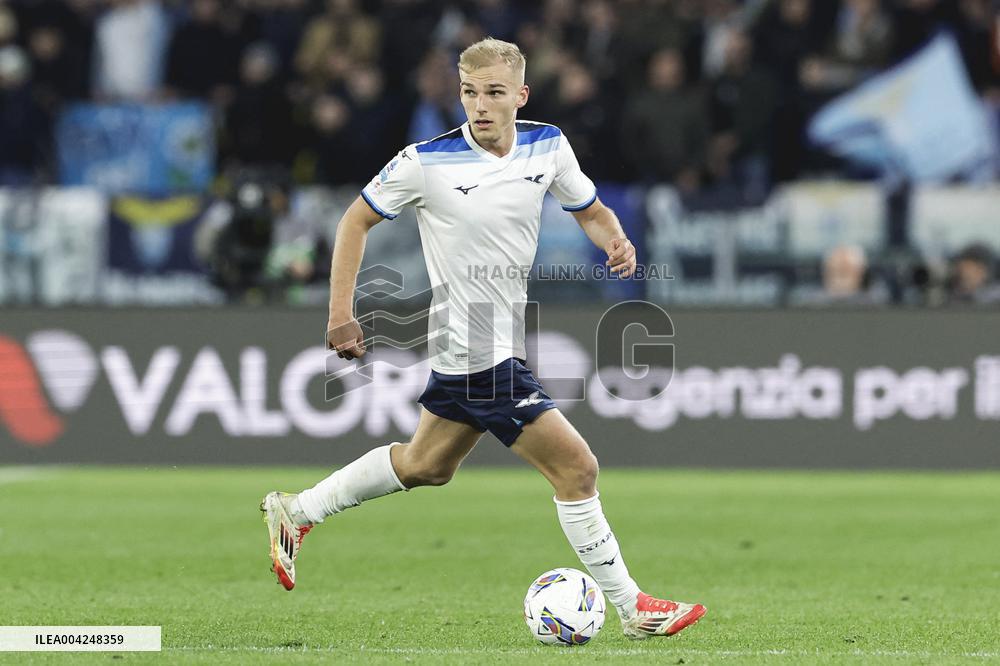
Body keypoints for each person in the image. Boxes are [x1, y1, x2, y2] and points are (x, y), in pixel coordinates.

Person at [260, 37, 706, 640]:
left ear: (521, 95)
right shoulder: (425, 162)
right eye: (469, 92)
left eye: (494, 92)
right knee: (577, 469)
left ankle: (297, 511)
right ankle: (632, 608)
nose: (480, 105)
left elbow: (591, 210)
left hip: (492, 343)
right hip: (475, 348)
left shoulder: (548, 145)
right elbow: (354, 221)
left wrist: (617, 241)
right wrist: (341, 312)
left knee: (426, 465)